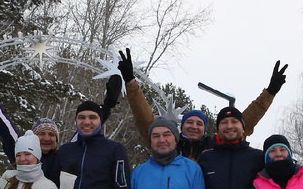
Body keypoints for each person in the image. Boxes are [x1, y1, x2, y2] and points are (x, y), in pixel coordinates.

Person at [118, 47, 287, 158]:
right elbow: (145, 121)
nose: (194, 126)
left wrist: (270, 92)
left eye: (199, 123)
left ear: (205, 129)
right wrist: (131, 83)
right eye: (189, 122)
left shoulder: (214, 147)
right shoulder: (170, 146)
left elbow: (243, 123)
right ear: (181, 128)